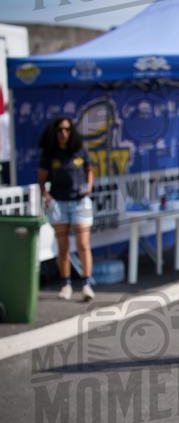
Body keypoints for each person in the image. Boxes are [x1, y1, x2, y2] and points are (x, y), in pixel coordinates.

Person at [37, 116, 95, 301]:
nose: (64, 133)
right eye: (60, 129)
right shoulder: (49, 153)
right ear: (54, 132)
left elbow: (89, 169)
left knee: (83, 244)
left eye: (67, 129)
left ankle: (86, 285)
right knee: (63, 246)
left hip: (80, 202)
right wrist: (46, 194)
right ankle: (66, 285)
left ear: (72, 131)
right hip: (59, 203)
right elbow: (41, 180)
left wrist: (89, 185)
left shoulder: (80, 148)